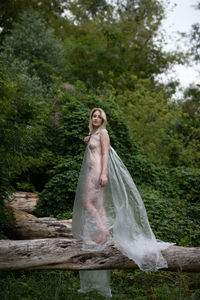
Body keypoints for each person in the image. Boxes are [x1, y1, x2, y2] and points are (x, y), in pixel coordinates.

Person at [72, 108, 174, 298]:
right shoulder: (93, 134)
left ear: (103, 119)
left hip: (96, 174)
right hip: (91, 172)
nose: (95, 118)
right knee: (99, 206)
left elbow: (104, 155)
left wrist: (103, 174)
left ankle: (103, 231)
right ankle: (104, 232)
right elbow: (93, 149)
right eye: (93, 116)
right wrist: (88, 140)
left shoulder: (103, 133)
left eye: (98, 116)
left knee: (87, 202)